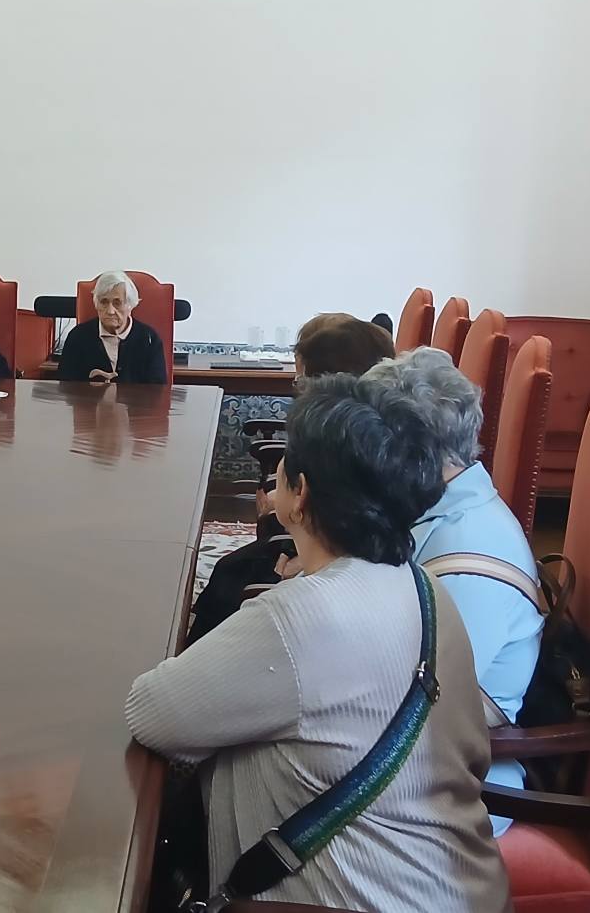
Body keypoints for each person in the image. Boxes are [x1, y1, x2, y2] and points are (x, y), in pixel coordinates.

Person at [127, 375, 509, 912]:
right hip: (457, 891)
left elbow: (151, 713)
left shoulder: (300, 618)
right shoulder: (427, 591)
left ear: (298, 492)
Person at [362, 348, 543, 836]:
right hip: (413, 757)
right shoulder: (442, 512)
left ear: (409, 454)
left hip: (457, 789)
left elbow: (423, 705)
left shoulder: (469, 556)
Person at [185, 313, 397, 642]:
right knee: (230, 568)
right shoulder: (367, 426)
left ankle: (200, 655)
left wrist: (306, 564)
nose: (296, 384)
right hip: (318, 548)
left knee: (231, 576)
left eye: (300, 376)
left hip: (320, 560)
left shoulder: (343, 435)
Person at [56, 271, 168, 384]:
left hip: (137, 402)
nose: (110, 311)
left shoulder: (149, 339)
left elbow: (157, 390)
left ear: (130, 305)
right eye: (104, 302)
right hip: (90, 401)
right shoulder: (77, 337)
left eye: (117, 303)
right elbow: (65, 386)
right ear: (96, 304)